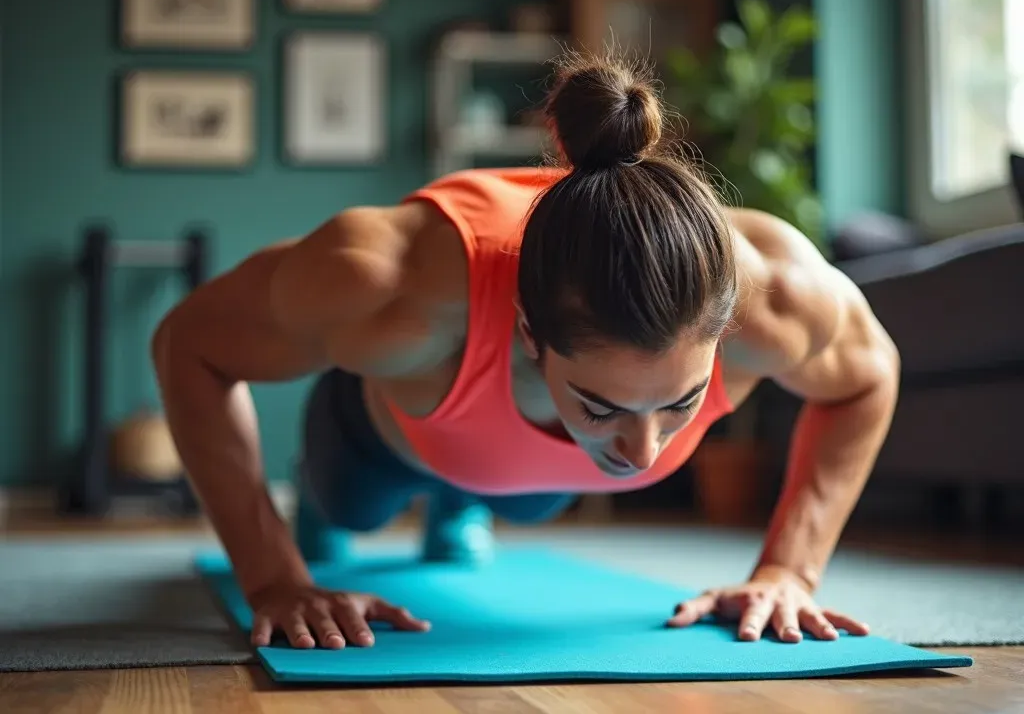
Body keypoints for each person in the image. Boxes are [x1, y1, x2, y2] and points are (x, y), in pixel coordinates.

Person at [151, 50, 899, 653]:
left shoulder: (779, 294)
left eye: (679, 403)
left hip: (522, 468)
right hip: (386, 427)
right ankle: (331, 492)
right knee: (353, 508)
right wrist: (275, 579)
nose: (643, 452)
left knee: (531, 498)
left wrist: (788, 571)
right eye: (603, 404)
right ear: (529, 334)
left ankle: (466, 499)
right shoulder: (386, 282)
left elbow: (867, 379)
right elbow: (189, 344)